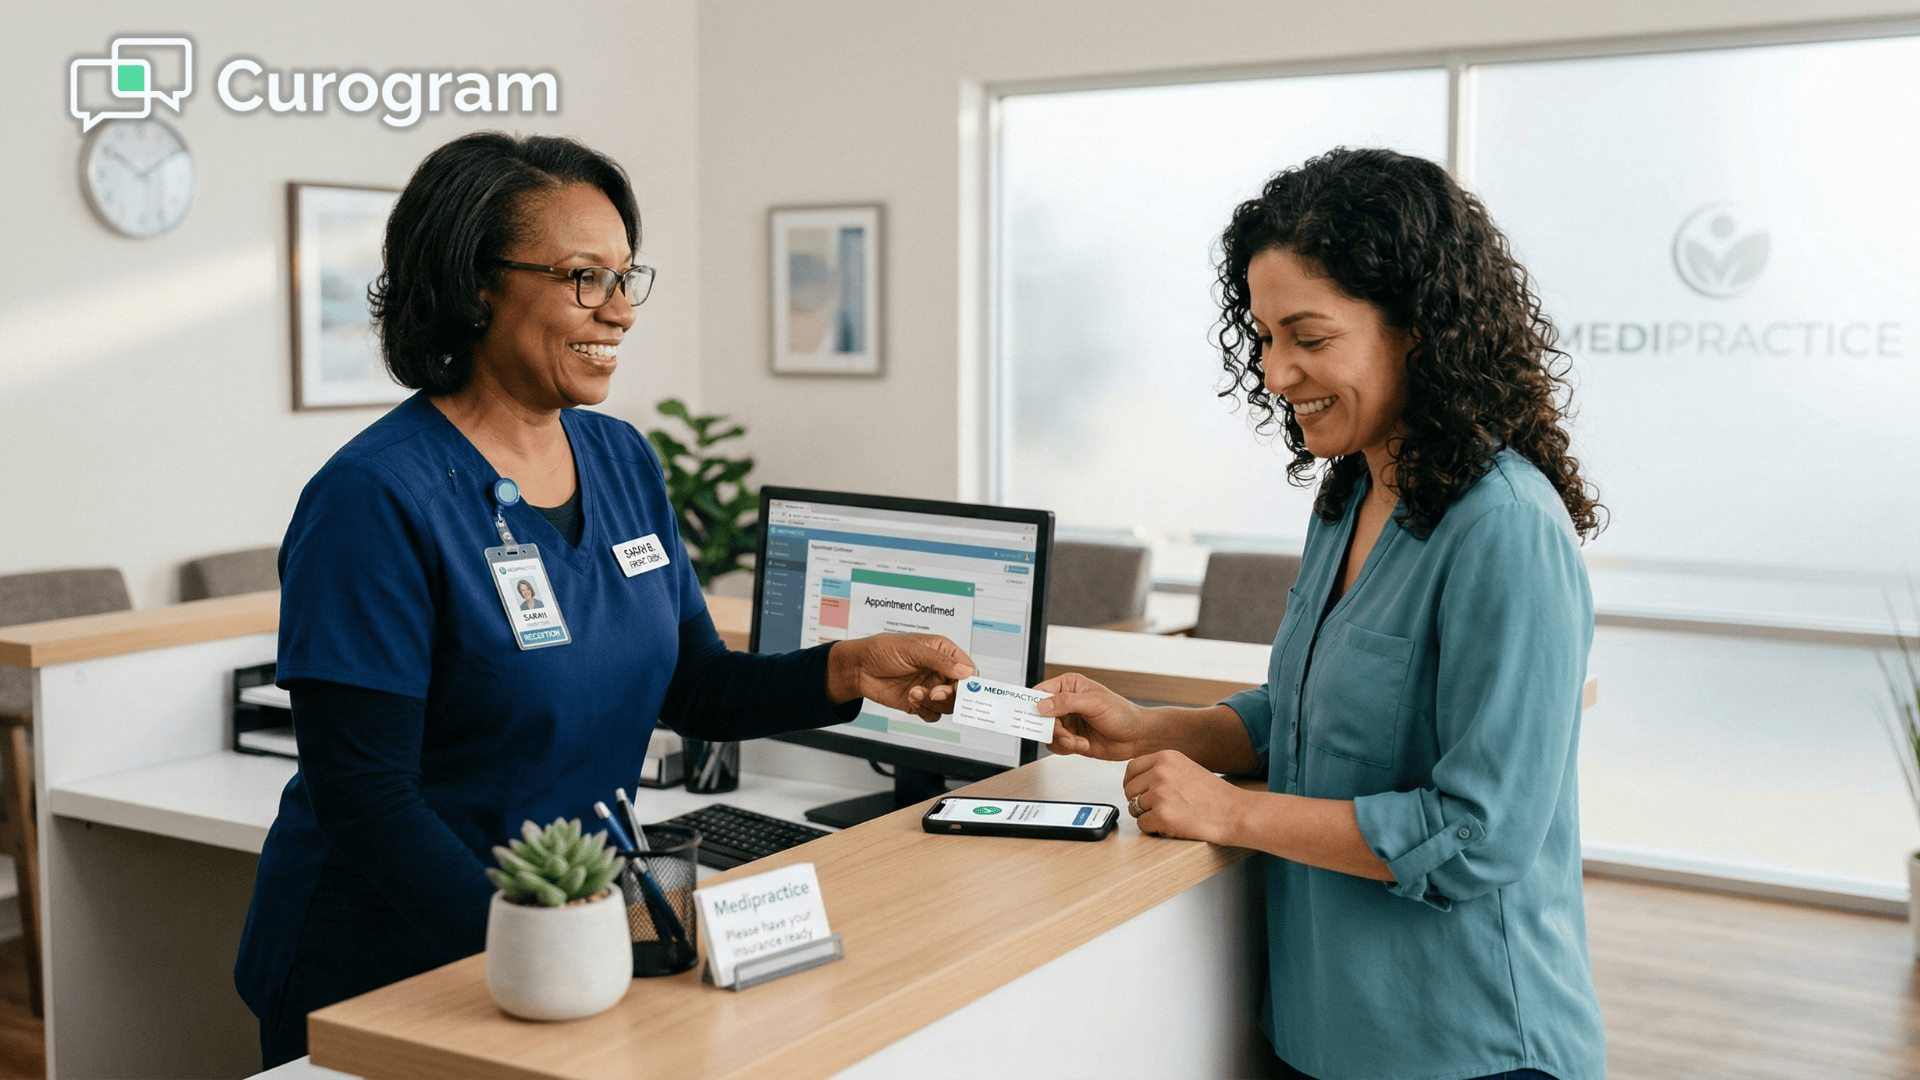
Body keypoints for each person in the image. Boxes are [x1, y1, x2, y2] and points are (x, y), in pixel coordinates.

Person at [235, 132, 974, 1068]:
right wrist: (546, 951)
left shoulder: (620, 460)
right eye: (587, 277)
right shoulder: (375, 498)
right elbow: (365, 798)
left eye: (629, 277)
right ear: (474, 285)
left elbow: (694, 684)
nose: (621, 311)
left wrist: (846, 669)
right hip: (394, 961)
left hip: (567, 945)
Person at [1036, 148, 1607, 1080]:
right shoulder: (1349, 498)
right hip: (1316, 1033)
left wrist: (1229, 813)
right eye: (1263, 336)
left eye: (1308, 335)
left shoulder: (1505, 527)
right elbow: (1300, 711)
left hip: (1470, 1049)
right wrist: (1146, 725)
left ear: (1418, 329)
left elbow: (1479, 831)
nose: (1276, 371)